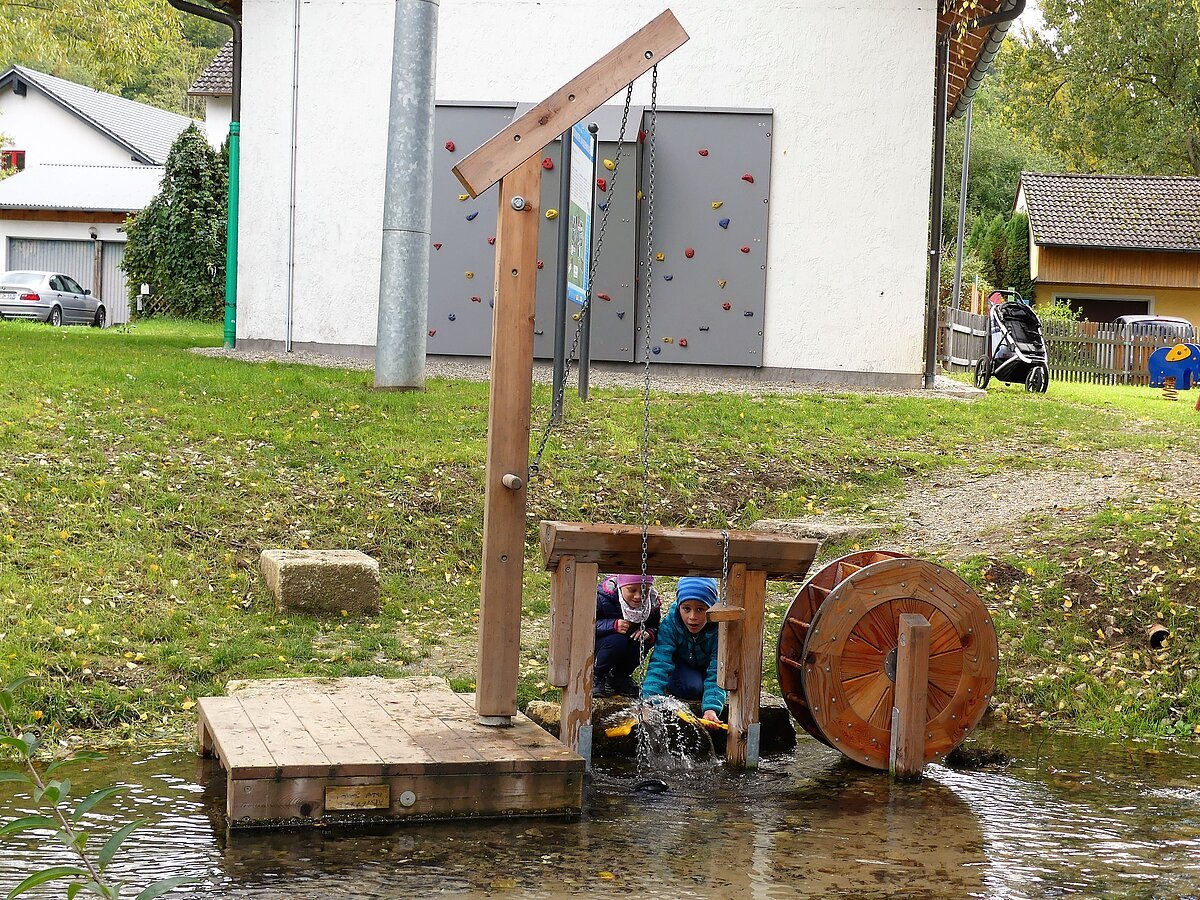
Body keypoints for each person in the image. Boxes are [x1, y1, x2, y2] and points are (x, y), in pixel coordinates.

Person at [640, 576, 725, 724]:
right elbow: (660, 662)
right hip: (682, 667)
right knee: (692, 688)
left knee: (715, 684)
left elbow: (719, 669)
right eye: (686, 609)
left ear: (711, 609)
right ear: (679, 606)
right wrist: (649, 702)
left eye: (700, 609)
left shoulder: (720, 629)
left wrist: (711, 708)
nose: (692, 617)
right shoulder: (670, 625)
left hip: (706, 667)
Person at [594, 573, 661, 697]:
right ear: (621, 587)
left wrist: (648, 633)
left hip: (630, 644)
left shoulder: (652, 603)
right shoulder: (603, 598)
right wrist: (613, 625)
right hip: (604, 644)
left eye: (644, 591)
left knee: (642, 641)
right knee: (617, 641)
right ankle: (597, 677)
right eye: (632, 590)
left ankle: (620, 677)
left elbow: (656, 626)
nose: (638, 596)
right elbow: (586, 625)